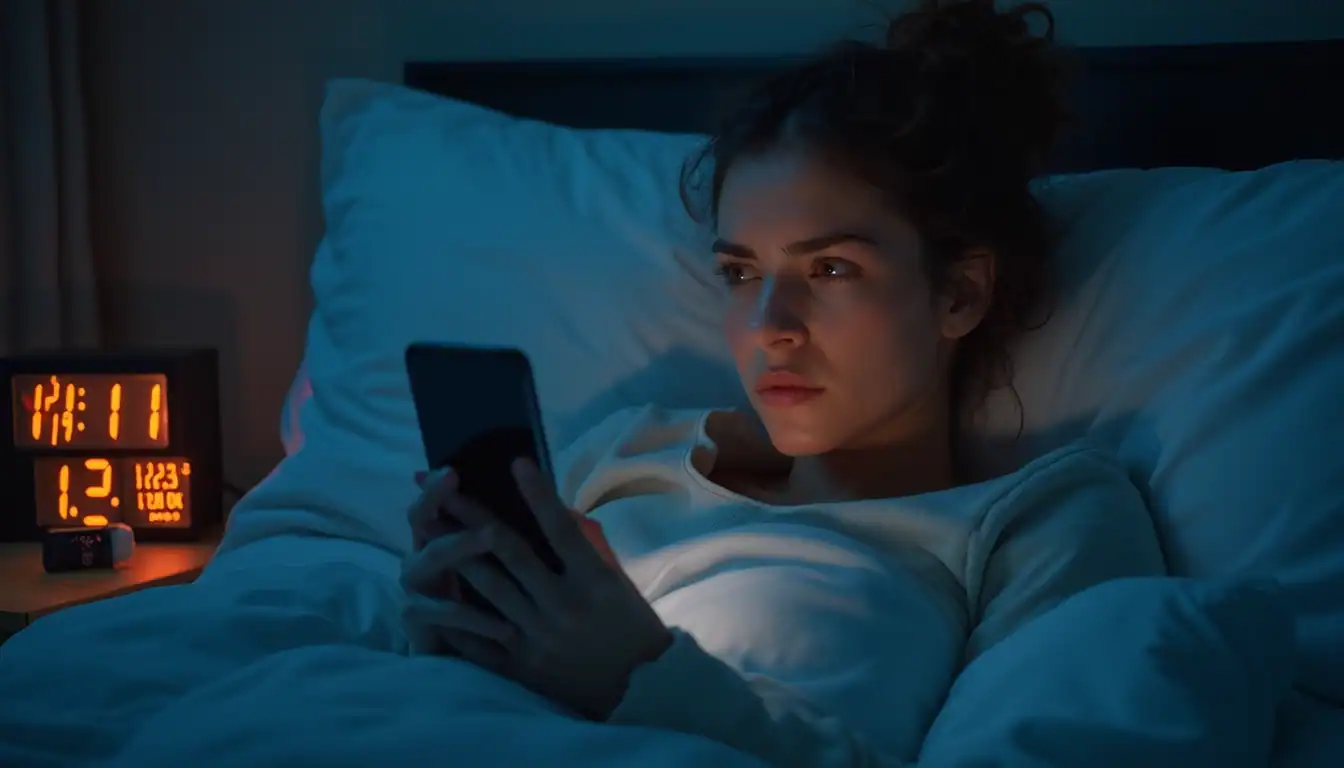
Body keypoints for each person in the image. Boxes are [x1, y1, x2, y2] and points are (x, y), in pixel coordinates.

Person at [400, 1, 1167, 765]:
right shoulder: (627, 450)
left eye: (830, 269)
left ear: (959, 294)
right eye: (741, 273)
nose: (770, 326)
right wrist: (447, 634)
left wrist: (637, 676)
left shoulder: (1039, 519)